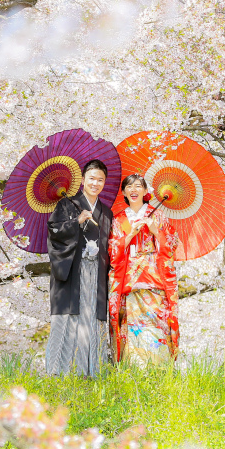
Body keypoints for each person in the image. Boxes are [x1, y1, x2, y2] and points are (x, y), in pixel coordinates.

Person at [45, 159, 113, 376]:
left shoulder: (107, 213)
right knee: (69, 319)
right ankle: (59, 372)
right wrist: (76, 222)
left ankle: (92, 372)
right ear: (83, 180)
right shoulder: (66, 205)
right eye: (91, 178)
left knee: (93, 317)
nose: (95, 183)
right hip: (73, 270)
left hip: (97, 273)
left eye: (100, 180)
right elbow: (54, 233)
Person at [108, 174, 180, 366]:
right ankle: (134, 367)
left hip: (154, 279)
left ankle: (159, 367)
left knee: (156, 323)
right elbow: (112, 250)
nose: (134, 190)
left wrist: (156, 231)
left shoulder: (158, 216)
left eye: (138, 186)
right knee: (132, 326)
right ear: (123, 192)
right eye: (129, 186)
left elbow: (173, 244)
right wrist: (129, 235)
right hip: (130, 281)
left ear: (145, 191)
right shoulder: (120, 219)